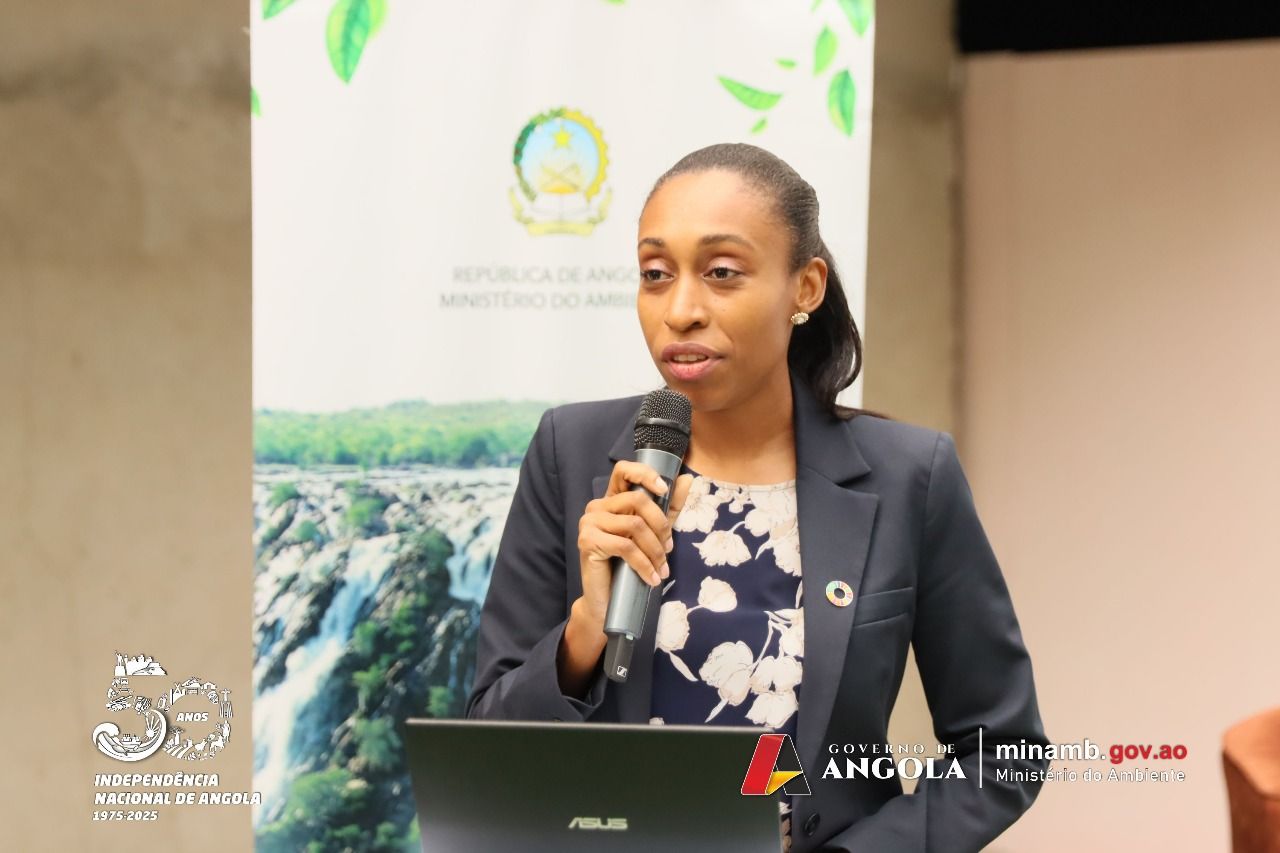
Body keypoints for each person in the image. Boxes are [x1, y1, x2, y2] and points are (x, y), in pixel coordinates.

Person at [465, 142, 1049, 852]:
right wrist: (586, 627)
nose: (681, 310)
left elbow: (1004, 753)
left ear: (806, 287)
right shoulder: (571, 452)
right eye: (655, 274)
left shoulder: (909, 476)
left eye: (721, 272)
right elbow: (484, 752)